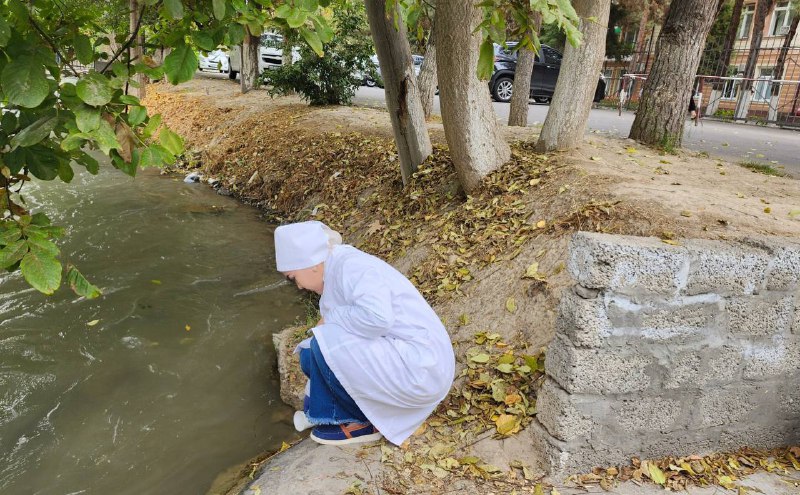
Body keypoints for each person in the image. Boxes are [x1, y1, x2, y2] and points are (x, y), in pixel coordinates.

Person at [274, 221, 455, 446]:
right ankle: (339, 411)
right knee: (310, 353)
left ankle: (359, 421)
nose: (298, 286)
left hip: (422, 367)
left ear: (310, 264)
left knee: (323, 343)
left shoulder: (352, 267)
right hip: (399, 353)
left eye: (293, 278)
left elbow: (378, 318)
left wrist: (331, 319)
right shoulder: (333, 269)